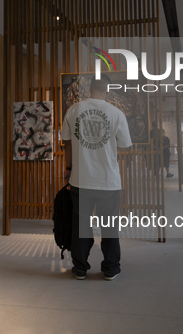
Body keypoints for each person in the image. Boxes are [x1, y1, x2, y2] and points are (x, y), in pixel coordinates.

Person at [62, 73, 132, 280]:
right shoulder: (116, 113)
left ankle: (81, 268)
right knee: (110, 227)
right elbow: (125, 145)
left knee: (81, 226)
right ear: (107, 90)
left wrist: (68, 168)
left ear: (89, 88)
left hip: (81, 179)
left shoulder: (74, 110)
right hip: (108, 181)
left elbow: (65, 142)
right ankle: (110, 268)